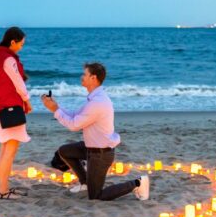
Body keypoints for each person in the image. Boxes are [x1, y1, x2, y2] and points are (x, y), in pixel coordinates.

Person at [41, 62, 149, 201]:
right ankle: (85, 182)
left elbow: (74, 125)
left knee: (96, 196)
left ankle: (138, 183)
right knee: (65, 151)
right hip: (91, 148)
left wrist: (55, 110)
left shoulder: (97, 102)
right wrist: (56, 107)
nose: (82, 77)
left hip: (100, 154)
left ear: (93, 78)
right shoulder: (94, 98)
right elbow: (75, 114)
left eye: (84, 74)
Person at [0, 27, 32, 200]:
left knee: (5, 147)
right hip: (12, 108)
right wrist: (27, 101)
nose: (21, 47)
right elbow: (19, 83)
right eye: (21, 44)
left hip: (1, 109)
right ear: (13, 42)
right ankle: (3, 190)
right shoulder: (8, 59)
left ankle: (3, 186)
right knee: (10, 150)